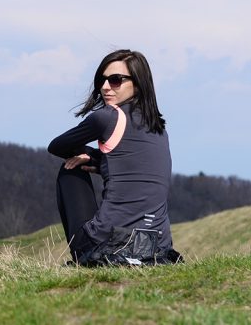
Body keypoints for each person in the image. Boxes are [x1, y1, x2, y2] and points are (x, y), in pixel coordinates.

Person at [48, 49, 180, 266]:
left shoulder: (106, 118)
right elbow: (133, 165)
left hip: (110, 245)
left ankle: (81, 258)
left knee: (69, 169)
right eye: (102, 80)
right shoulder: (159, 129)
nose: (105, 87)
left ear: (138, 83)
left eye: (116, 80)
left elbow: (58, 146)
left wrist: (90, 156)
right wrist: (101, 161)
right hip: (158, 247)